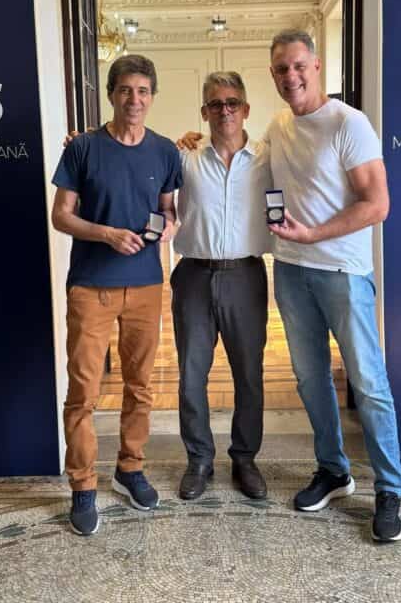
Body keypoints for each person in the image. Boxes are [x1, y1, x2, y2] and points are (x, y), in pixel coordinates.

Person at [265, 29, 401, 542]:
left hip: (344, 272)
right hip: (290, 270)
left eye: (298, 65)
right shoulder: (278, 126)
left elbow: (377, 205)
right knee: (309, 380)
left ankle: (390, 489)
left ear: (316, 65)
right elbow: (245, 169)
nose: (290, 76)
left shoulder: (350, 123)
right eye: (281, 68)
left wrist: (315, 234)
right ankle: (334, 470)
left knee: (367, 381)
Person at [51, 54, 182, 536]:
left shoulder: (165, 151)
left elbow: (169, 209)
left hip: (147, 284)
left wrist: (170, 225)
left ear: (152, 96)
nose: (135, 99)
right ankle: (83, 484)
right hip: (91, 287)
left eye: (144, 91)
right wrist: (106, 234)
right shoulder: (83, 148)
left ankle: (130, 469)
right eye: (126, 90)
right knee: (83, 392)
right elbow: (61, 215)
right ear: (111, 94)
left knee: (141, 386)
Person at [172, 71, 272, 501]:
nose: (224, 110)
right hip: (193, 275)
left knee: (249, 374)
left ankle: (245, 459)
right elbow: (138, 168)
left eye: (232, 102)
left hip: (246, 275)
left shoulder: (270, 156)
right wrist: (83, 145)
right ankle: (199, 459)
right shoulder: (185, 157)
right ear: (204, 112)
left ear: (246, 109)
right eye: (215, 104)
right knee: (192, 374)